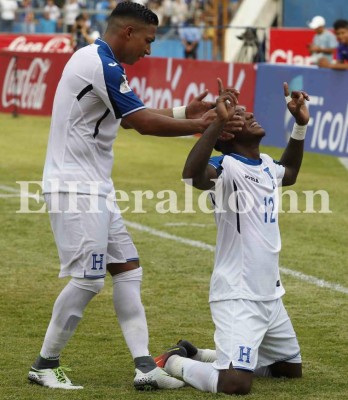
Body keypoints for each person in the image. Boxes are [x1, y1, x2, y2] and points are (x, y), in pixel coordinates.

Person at [27, 0, 223, 392]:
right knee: (88, 280)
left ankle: (145, 367)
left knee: (128, 271)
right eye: (148, 40)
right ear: (128, 32)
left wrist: (187, 111)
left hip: (94, 187)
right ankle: (44, 364)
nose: (150, 49)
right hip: (76, 188)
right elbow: (141, 122)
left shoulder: (101, 61)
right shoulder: (99, 62)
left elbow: (132, 113)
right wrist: (201, 124)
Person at [155, 78, 310, 395]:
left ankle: (198, 354)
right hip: (238, 295)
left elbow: (290, 172)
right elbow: (191, 176)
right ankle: (173, 362)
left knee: (288, 370)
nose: (249, 113)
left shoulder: (265, 164)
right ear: (226, 133)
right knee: (235, 384)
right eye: (239, 115)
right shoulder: (224, 166)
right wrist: (216, 123)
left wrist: (300, 125)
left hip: (270, 294)